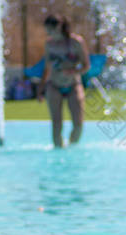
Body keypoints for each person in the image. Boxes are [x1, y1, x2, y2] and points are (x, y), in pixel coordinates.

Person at [37, 14, 90, 148]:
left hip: (73, 85)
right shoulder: (49, 44)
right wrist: (40, 88)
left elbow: (86, 66)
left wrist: (73, 71)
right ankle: (59, 154)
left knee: (78, 125)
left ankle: (71, 149)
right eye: (47, 30)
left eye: (51, 30)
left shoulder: (76, 42)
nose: (49, 33)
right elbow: (47, 67)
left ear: (59, 27)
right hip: (54, 86)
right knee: (56, 124)